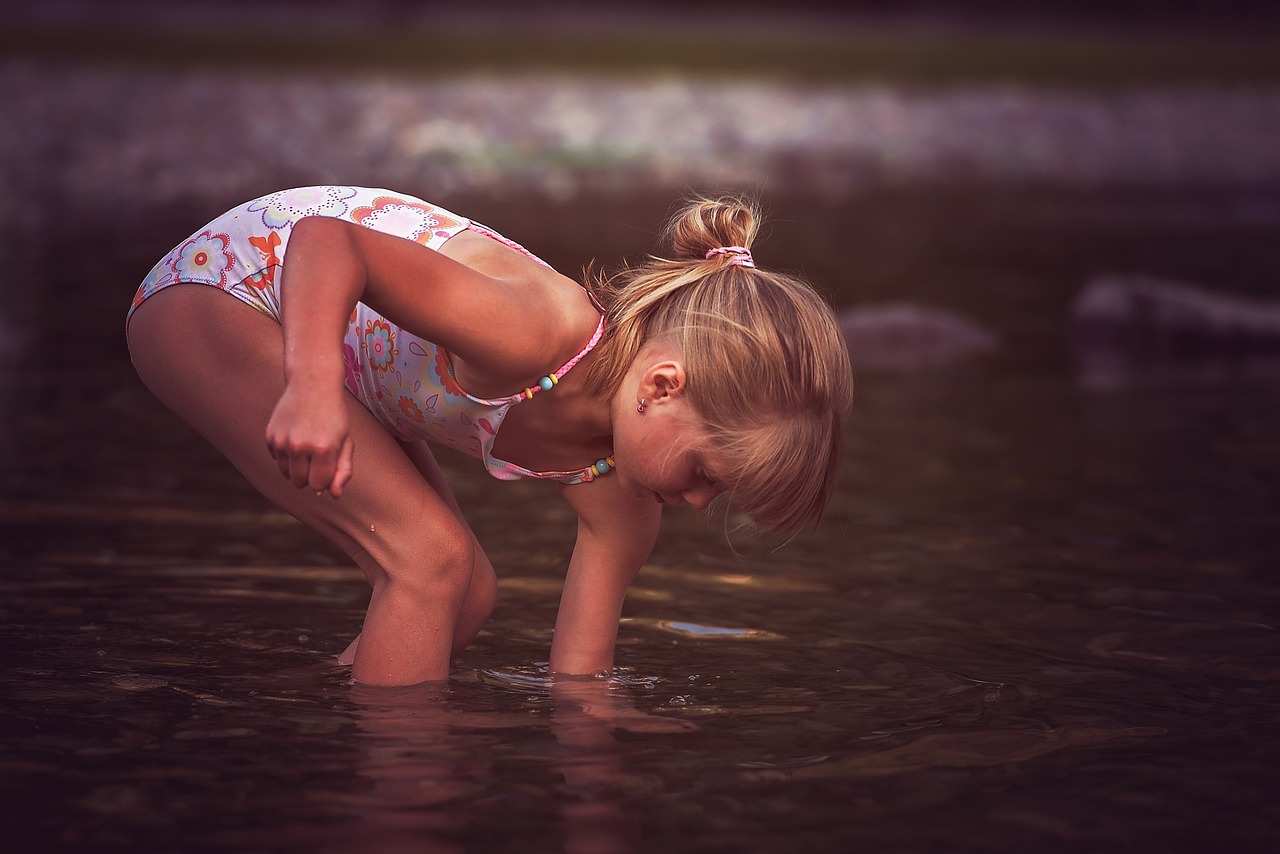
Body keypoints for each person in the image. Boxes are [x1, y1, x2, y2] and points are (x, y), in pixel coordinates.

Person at [126, 186, 853, 687]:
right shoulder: (538, 329)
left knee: (466, 595)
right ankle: (399, 796)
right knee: (429, 562)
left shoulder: (624, 505)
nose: (697, 501)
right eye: (707, 474)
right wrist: (310, 388)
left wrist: (601, 782)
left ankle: (303, 716)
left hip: (332, 357)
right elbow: (327, 242)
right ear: (661, 387)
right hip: (229, 290)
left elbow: (578, 680)